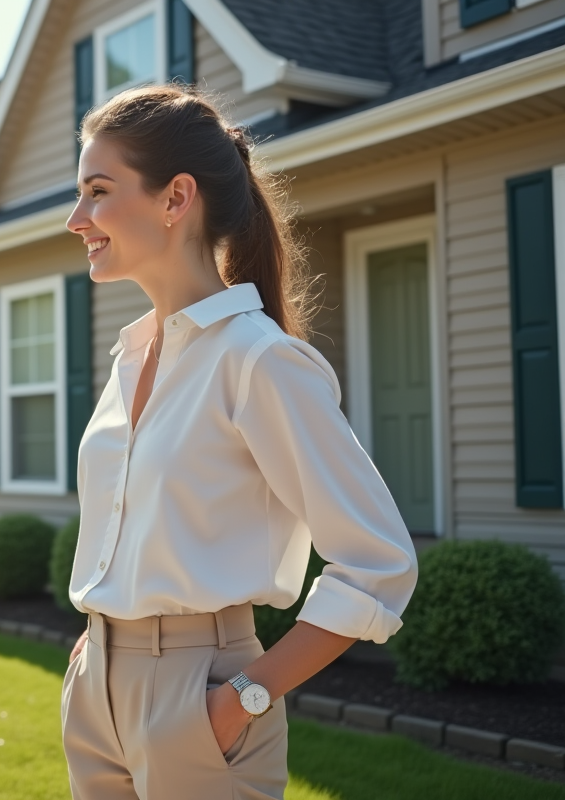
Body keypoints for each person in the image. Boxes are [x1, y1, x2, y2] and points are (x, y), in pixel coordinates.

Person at [59, 84, 419, 800]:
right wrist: (97, 657)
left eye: (98, 192)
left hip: (203, 694)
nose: (77, 219)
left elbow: (378, 561)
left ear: (174, 198)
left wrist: (244, 698)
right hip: (96, 682)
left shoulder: (258, 360)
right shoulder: (131, 357)